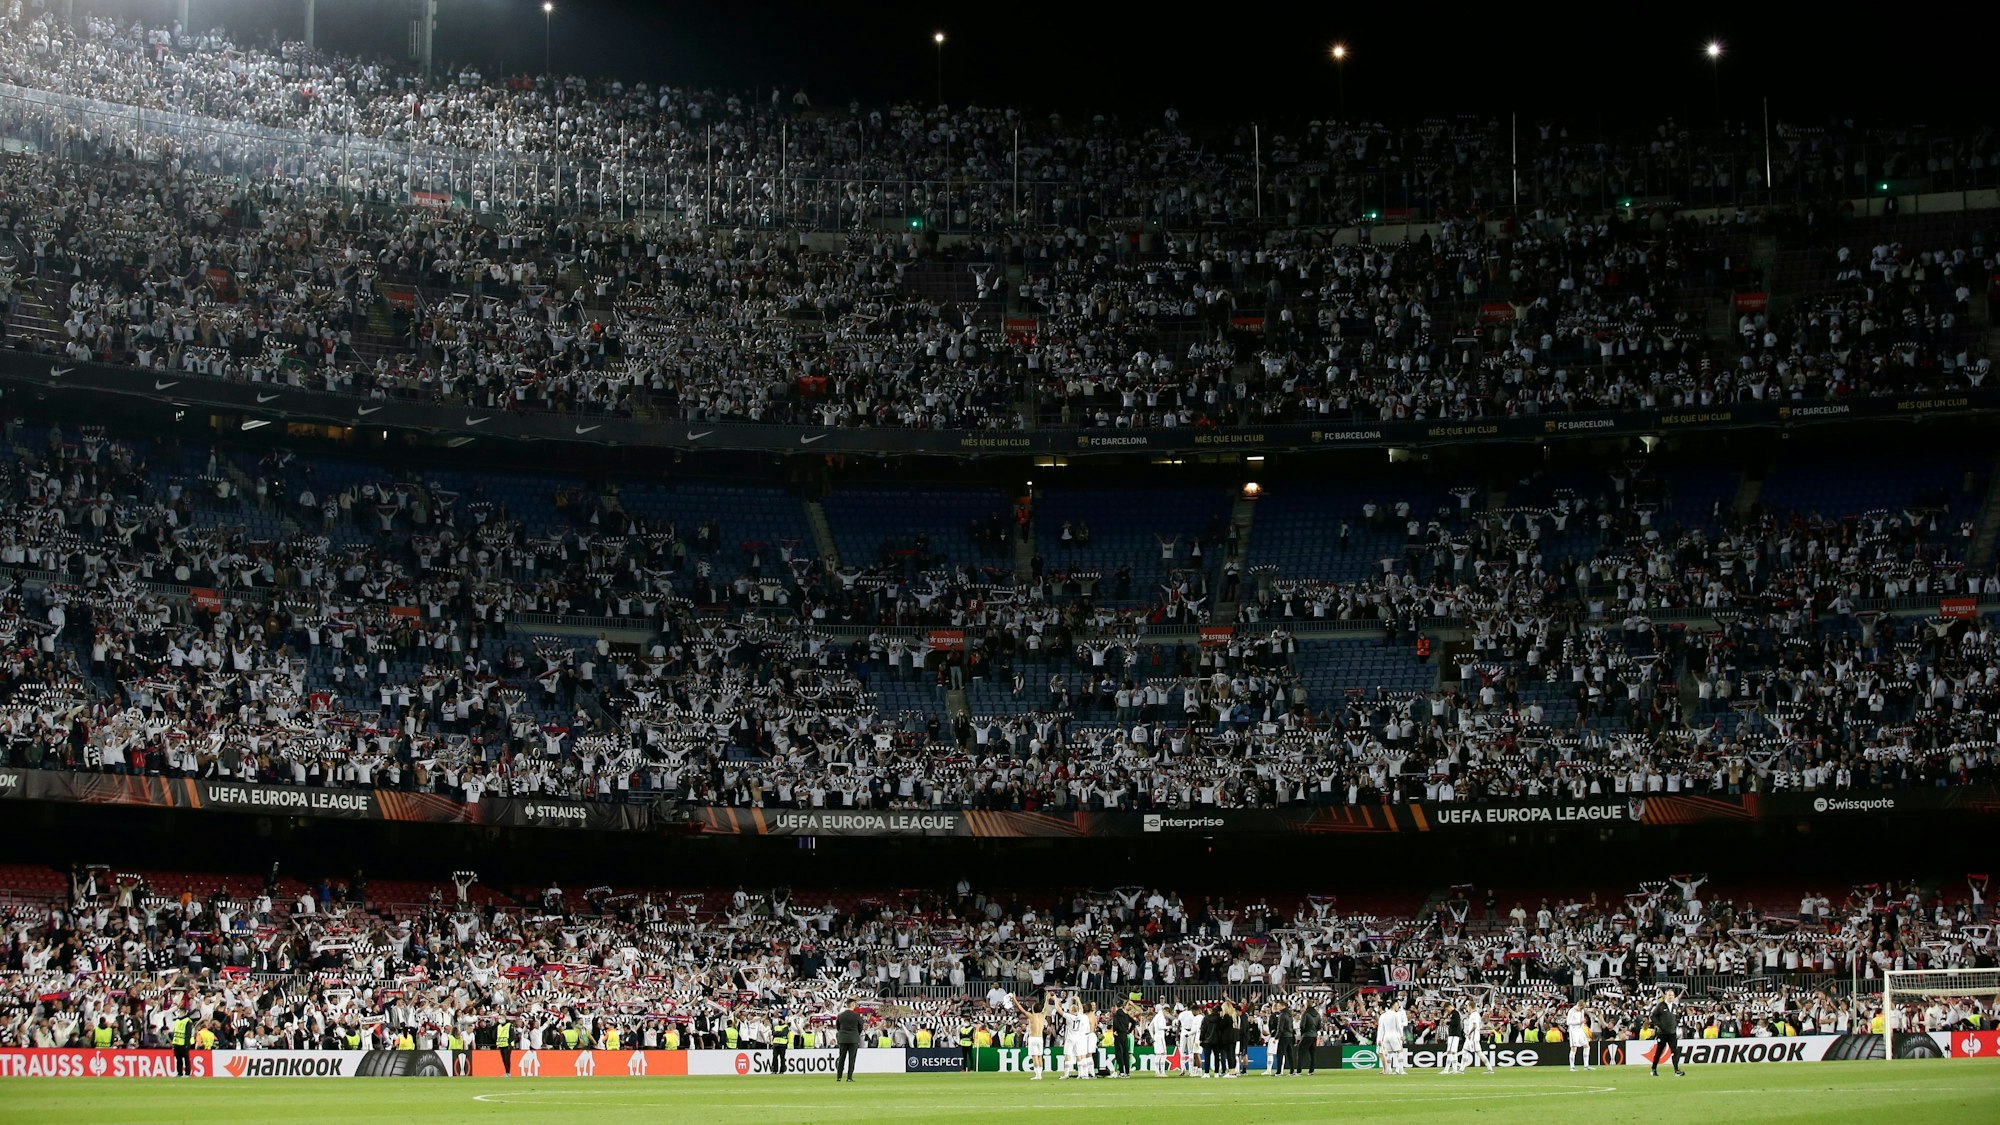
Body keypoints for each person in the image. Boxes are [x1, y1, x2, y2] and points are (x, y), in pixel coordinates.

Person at [1649, 990, 1685, 1077]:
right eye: (1669, 995)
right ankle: (1653, 1069)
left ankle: (1676, 1070)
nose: (1671, 997)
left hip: (1672, 1033)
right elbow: (1652, 1016)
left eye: (1672, 995)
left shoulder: (1675, 1006)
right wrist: (1660, 1025)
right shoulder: (1660, 1005)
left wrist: (1679, 1017)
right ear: (1665, 996)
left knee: (1675, 1051)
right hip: (1662, 1033)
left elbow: (1676, 1018)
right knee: (1659, 1052)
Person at [1377, 999, 1409, 1076]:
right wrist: (1401, 1035)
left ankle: (1388, 1070)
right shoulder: (1395, 1015)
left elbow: (1381, 1028)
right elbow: (1398, 1026)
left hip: (1386, 1036)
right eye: (1397, 1005)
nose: (1398, 1007)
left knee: (1388, 1053)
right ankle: (1400, 1070)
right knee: (1400, 1051)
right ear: (1394, 1005)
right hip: (1395, 1035)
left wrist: (1379, 1039)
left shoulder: (1383, 1015)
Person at [834, 1001, 864, 1082]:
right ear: (853, 1005)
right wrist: (856, 1034)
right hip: (853, 1039)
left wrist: (842, 1033)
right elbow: (860, 1027)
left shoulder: (840, 1015)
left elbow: (838, 1027)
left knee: (841, 1058)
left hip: (843, 1039)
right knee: (852, 1059)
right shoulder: (856, 1016)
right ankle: (849, 1077)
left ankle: (839, 1077)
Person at [1024, 996, 1050, 1080]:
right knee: (1039, 1056)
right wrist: (1047, 999)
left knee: (1034, 1057)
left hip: (1033, 1038)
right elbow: (1046, 1008)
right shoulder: (1042, 1016)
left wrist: (1014, 1000)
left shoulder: (1031, 1016)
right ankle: (1040, 1075)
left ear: (1033, 1009)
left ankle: (1037, 1075)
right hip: (1040, 1038)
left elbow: (1021, 1009)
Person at [1268, 1000, 1295, 1076]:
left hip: (1284, 1036)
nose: (1278, 1007)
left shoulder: (1282, 1015)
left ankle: (1279, 1071)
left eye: (1279, 1006)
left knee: (1280, 1054)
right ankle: (1292, 1071)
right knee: (1290, 1054)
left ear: (1283, 1006)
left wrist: (1276, 1037)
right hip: (1290, 1036)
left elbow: (1280, 1028)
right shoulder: (1290, 1015)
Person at [1567, 1001, 1594, 1071]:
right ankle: (1572, 1067)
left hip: (1580, 1030)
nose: (1581, 1009)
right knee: (1574, 1048)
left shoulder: (1581, 1010)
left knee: (1586, 1045)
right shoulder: (1571, 1011)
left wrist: (1582, 1027)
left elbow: (1581, 1020)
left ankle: (1586, 1066)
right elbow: (1568, 1022)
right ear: (1578, 1005)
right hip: (1573, 1031)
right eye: (1581, 1008)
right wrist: (1579, 1022)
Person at [1297, 1003, 1322, 1076]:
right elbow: (1319, 1026)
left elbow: (1302, 1025)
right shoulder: (1317, 1014)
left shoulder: (1306, 1014)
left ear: (1306, 1006)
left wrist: (1303, 1033)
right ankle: (1311, 1071)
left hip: (1306, 1035)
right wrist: (1314, 1031)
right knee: (1312, 1054)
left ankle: (1299, 1071)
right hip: (1314, 1036)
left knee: (1300, 1053)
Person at [1444, 1002, 1466, 1075]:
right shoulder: (1453, 1013)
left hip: (1454, 1034)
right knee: (1452, 1052)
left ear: (1449, 1006)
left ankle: (1447, 1069)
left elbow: (1456, 1023)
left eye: (1447, 1009)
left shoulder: (1455, 1013)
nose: (1447, 1011)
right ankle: (1454, 1069)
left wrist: (1448, 1022)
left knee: (1450, 1051)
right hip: (1453, 1035)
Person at [170, 1009, 193, 1077]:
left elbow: (188, 1033)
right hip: (177, 1042)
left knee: (186, 1059)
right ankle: (179, 1073)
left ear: (184, 1012)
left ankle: (187, 1073)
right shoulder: (177, 1020)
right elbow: (175, 1031)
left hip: (184, 1043)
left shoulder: (188, 1021)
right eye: (179, 1012)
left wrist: (187, 1044)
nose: (179, 1013)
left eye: (180, 1012)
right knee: (178, 1059)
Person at [770, 1011, 790, 1075]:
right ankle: (774, 1070)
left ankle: (782, 1070)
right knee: (774, 1057)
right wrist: (779, 1033)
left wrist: (777, 1033)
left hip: (782, 1044)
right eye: (779, 1019)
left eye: (781, 1019)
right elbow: (773, 1033)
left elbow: (783, 1033)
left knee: (782, 1058)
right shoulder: (776, 1026)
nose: (779, 1020)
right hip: (776, 1044)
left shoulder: (785, 1027)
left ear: (783, 1020)